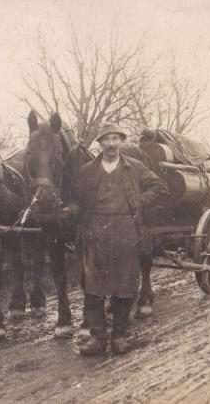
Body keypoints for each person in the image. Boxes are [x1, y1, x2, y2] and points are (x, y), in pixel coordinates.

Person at [66, 124, 167, 356]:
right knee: (93, 286)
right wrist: (70, 212)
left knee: (124, 285)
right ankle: (98, 337)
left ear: (121, 142)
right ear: (100, 144)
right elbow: (77, 199)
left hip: (126, 231)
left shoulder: (135, 167)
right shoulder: (87, 171)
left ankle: (120, 336)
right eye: (106, 140)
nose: (111, 144)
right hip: (94, 232)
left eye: (115, 139)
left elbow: (159, 186)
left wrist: (138, 202)